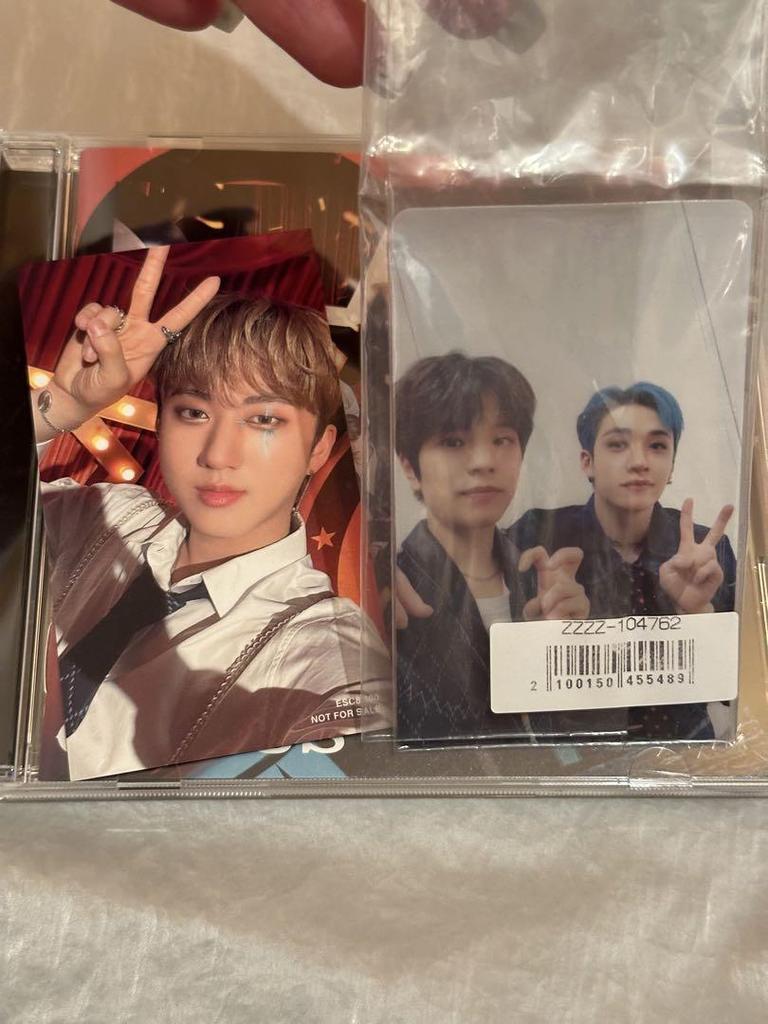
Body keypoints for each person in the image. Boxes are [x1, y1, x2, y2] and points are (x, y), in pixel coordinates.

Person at [33, 246, 388, 780]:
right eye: (194, 412)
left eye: (264, 419)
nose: (219, 455)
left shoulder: (323, 643)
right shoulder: (103, 514)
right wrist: (58, 407)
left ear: (318, 449)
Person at [394, 352, 593, 743]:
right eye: (453, 441)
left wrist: (572, 648)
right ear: (409, 467)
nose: (484, 461)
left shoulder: (545, 580)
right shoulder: (394, 589)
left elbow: (574, 735)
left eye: (502, 440)